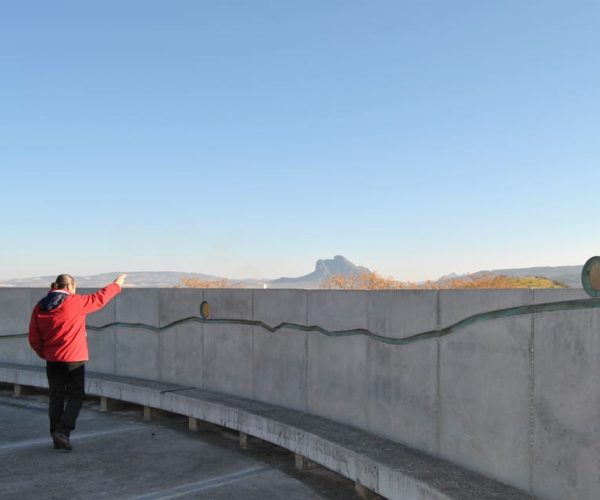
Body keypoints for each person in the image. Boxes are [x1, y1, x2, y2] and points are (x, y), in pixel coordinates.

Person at [28, 273, 127, 451]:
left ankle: (55, 435)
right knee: (76, 395)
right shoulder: (74, 302)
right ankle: (63, 432)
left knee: (56, 397)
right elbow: (100, 298)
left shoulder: (39, 306)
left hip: (52, 359)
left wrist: (45, 353)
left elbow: (34, 337)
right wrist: (116, 285)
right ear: (69, 287)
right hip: (74, 358)